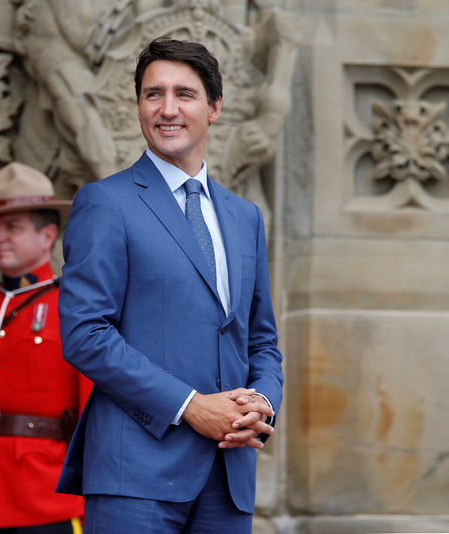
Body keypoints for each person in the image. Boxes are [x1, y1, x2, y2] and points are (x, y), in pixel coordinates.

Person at [55, 38, 284, 533]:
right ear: (139, 106)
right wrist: (190, 407)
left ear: (214, 108)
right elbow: (84, 334)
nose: (167, 109)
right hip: (134, 474)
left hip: (229, 476)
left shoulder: (246, 219)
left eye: (185, 94)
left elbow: (261, 340)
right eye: (152, 94)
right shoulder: (105, 202)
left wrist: (263, 404)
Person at [0, 162, 92, 533]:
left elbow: (92, 418)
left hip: (47, 501)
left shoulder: (74, 309)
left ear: (47, 235)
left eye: (13, 227)